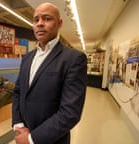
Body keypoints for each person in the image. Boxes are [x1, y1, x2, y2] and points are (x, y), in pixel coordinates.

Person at [12, 3, 87, 144]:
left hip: (52, 140)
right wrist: (18, 124)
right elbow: (18, 92)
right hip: (23, 133)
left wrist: (31, 139)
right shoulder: (27, 58)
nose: (40, 24)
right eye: (36, 20)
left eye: (47, 19)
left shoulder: (73, 59)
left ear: (59, 24)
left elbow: (70, 113)